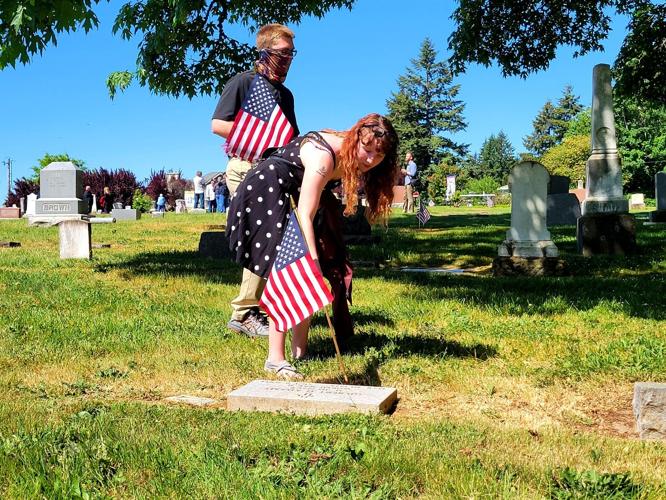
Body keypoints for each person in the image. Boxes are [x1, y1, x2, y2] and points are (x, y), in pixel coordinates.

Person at [226, 113, 399, 379]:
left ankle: (300, 351)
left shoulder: (350, 153)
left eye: (378, 155)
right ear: (356, 138)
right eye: (367, 150)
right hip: (267, 192)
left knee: (308, 273)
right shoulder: (323, 157)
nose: (370, 159)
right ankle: (275, 358)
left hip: (295, 195)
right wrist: (312, 261)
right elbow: (305, 214)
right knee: (288, 269)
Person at [212, 23, 300, 338]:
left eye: (292, 53)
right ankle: (245, 313)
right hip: (245, 168)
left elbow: (290, 137)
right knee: (263, 237)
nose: (288, 59)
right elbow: (218, 125)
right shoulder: (244, 83)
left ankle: (257, 309)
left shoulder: (285, 95)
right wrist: (262, 139)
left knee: (276, 238)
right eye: (282, 53)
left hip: (276, 172)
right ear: (263, 52)